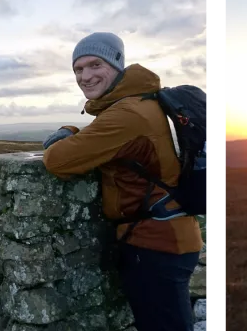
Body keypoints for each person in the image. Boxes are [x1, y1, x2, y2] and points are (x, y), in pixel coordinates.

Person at [41, 32, 203, 331]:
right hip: (169, 236)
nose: (85, 76)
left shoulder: (127, 114)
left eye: (95, 65)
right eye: (78, 69)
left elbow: (57, 161)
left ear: (117, 65)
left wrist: (66, 131)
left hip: (156, 245)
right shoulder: (141, 102)